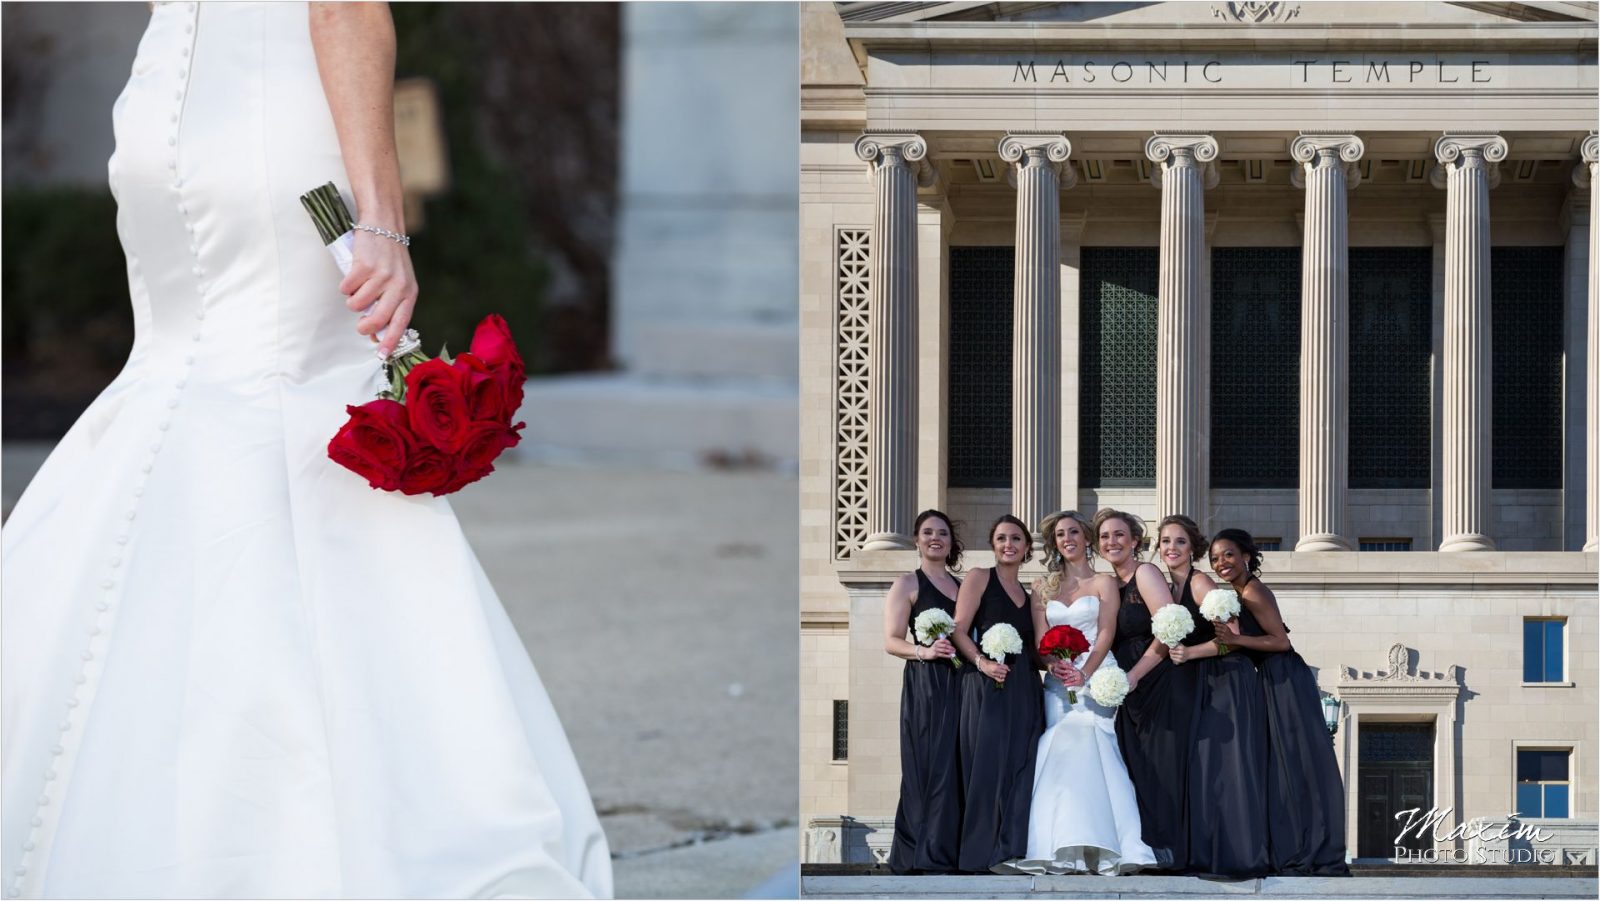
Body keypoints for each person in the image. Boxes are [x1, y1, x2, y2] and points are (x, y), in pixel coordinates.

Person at [0, 5, 610, 897]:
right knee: (285, 392)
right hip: (275, 109)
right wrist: (384, 220)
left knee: (184, 386)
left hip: (165, 108)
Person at [1003, 511, 1155, 876]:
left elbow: (1105, 632)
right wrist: (1056, 664)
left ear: (1086, 538)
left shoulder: (1104, 582)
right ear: (1054, 542)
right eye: (1059, 534)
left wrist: (1085, 672)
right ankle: (1058, 848)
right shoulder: (1043, 587)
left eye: (1073, 532)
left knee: (1099, 749)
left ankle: (1113, 847)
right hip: (1058, 682)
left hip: (1096, 677)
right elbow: (1041, 641)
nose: (1067, 538)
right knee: (1059, 751)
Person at [1211, 529, 1350, 876]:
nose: (1221, 563)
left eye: (1228, 554)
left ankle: (1310, 846)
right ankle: (1290, 842)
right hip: (1269, 679)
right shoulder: (1238, 592)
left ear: (1245, 556)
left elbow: (1281, 642)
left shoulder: (1254, 590)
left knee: (1296, 761)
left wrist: (1237, 640)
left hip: (1284, 677)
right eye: (1214, 558)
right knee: (1280, 763)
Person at [1160, 515, 1269, 878]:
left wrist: (1189, 653)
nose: (1171, 549)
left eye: (1179, 542)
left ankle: (1236, 855)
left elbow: (1232, 635)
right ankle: (1206, 851)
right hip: (1203, 681)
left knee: (1227, 766)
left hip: (1226, 679)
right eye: (1165, 542)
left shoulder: (1201, 582)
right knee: (1207, 769)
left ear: (1193, 549)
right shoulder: (1170, 587)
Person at [951, 515, 1044, 873]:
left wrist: (1066, 661)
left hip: (1024, 686)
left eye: (1017, 539)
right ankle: (977, 855)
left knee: (1022, 765)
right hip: (987, 682)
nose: (1009, 544)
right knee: (986, 765)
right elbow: (959, 630)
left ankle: (1011, 851)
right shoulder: (978, 578)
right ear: (993, 543)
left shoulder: (1033, 594)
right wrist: (981, 662)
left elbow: (1038, 648)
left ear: (1026, 548)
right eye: (1002, 537)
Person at [1098, 508, 1189, 872]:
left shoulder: (1145, 573)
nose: (1112, 542)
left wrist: (1134, 675)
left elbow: (1169, 628)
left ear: (1135, 540)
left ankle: (1172, 851)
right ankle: (1148, 848)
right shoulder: (1110, 584)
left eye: (1119, 534)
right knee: (1138, 767)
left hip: (1156, 681)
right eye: (1104, 536)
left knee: (1162, 765)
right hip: (1128, 688)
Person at [884, 510, 965, 874]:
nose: (936, 538)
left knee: (956, 765)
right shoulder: (907, 584)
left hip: (962, 683)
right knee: (927, 764)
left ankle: (949, 849)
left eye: (943, 533)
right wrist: (925, 652)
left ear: (951, 543)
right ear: (917, 539)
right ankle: (918, 852)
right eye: (928, 532)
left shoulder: (962, 586)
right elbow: (891, 641)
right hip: (927, 683)